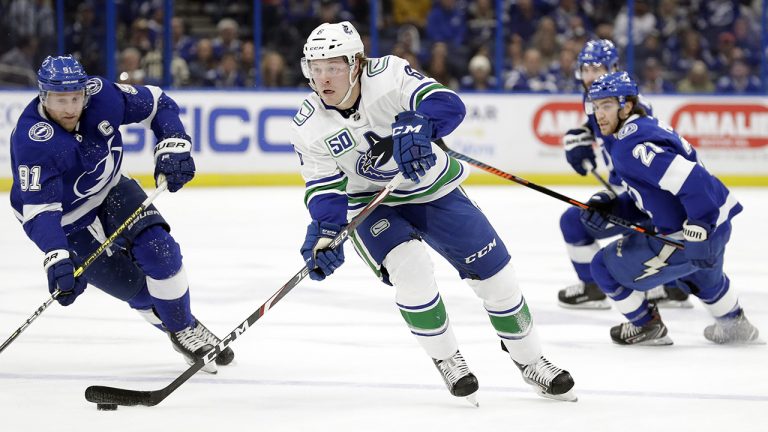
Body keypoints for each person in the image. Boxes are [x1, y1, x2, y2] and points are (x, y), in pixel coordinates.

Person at [289, 21, 576, 405]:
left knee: (498, 280)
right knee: (412, 270)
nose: (323, 78)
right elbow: (324, 188)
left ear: (356, 63)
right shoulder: (307, 125)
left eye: (334, 67)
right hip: (371, 205)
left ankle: (530, 360)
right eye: (316, 68)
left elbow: (447, 104)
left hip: (432, 189)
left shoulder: (388, 73)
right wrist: (326, 232)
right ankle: (447, 358)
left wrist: (421, 123)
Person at [9, 55, 234, 372]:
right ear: (43, 96)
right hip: (66, 222)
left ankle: (183, 328)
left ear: (85, 91)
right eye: (61, 100)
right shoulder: (32, 140)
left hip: (111, 189)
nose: (71, 108)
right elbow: (40, 211)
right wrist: (56, 254)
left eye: (76, 97)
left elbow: (158, 104)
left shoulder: (103, 95)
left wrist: (173, 141)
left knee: (162, 252)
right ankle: (178, 322)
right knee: (133, 287)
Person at [583, 71, 761, 345]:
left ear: (626, 106)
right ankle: (735, 325)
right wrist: (616, 208)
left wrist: (699, 228)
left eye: (606, 105)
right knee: (701, 277)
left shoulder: (629, 145)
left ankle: (647, 326)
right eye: (596, 107)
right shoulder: (645, 126)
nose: (599, 115)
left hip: (695, 229)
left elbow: (696, 181)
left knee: (601, 267)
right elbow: (658, 197)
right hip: (716, 221)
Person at [558, 39, 690, 309]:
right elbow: (595, 125)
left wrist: (611, 194)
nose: (590, 76)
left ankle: (595, 289)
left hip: (643, 195)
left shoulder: (630, 113)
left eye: (597, 69)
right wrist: (581, 134)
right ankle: (673, 287)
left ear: (614, 67)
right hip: (636, 192)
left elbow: (638, 166)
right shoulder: (603, 97)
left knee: (573, 222)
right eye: (586, 69)